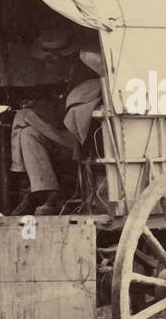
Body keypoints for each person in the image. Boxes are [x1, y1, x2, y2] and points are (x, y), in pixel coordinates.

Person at [9, 30, 104, 216]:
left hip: (81, 140)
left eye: (51, 60)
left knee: (22, 116)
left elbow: (64, 117)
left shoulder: (84, 73)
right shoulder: (69, 74)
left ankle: (24, 183)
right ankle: (49, 192)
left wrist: (37, 107)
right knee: (27, 133)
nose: (47, 63)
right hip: (70, 137)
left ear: (65, 57)